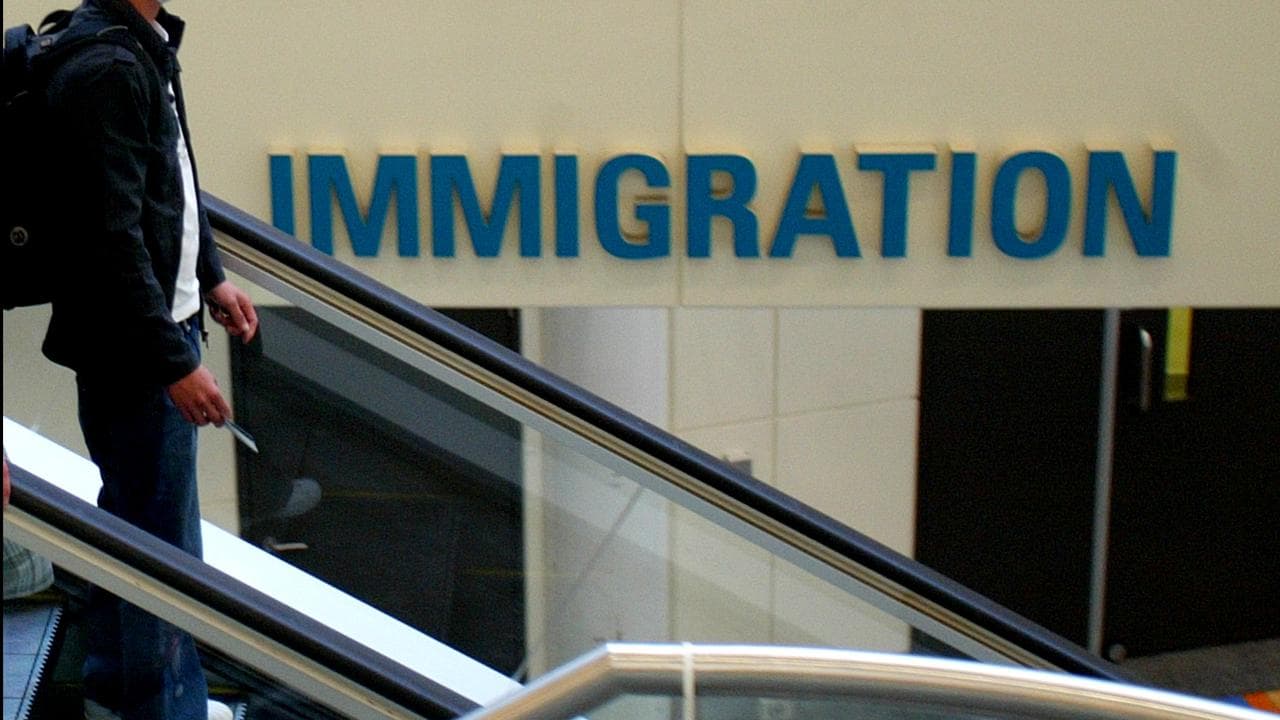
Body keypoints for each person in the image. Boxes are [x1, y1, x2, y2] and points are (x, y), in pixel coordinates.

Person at [39, 1, 258, 718]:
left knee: (144, 530)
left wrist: (212, 274)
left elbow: (173, 179)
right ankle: (158, 709)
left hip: (155, 334)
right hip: (136, 354)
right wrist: (174, 363)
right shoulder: (107, 64)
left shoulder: (143, 44)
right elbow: (112, 236)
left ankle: (129, 695)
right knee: (161, 555)